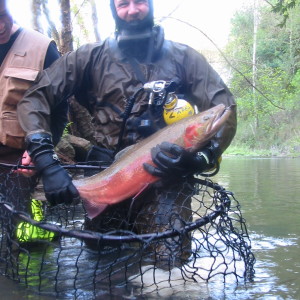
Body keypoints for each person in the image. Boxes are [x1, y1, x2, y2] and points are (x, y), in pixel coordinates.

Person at [17, 0, 237, 260]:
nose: (132, 10)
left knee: (170, 263)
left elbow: (226, 108)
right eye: (123, 4)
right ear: (113, 9)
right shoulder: (89, 57)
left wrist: (200, 158)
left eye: (140, 2)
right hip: (106, 178)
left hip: (167, 183)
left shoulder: (185, 58)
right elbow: (35, 99)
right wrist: (46, 161)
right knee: (102, 265)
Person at [0, 0, 67, 224]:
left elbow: (59, 110)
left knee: (13, 232)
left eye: (4, 16)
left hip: (18, 161)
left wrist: (38, 154)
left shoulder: (42, 48)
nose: (1, 26)